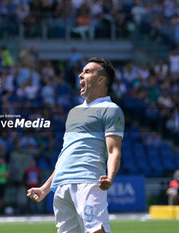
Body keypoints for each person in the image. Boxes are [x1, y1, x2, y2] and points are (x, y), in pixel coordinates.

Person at [27, 57, 124, 233]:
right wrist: (45, 188)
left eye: (87, 72)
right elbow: (67, 153)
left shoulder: (111, 110)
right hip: (62, 186)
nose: (81, 75)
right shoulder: (74, 112)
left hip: (88, 181)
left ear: (101, 79)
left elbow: (114, 150)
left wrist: (110, 177)